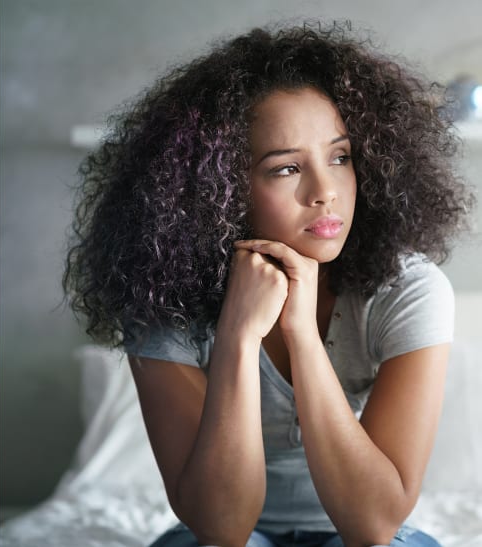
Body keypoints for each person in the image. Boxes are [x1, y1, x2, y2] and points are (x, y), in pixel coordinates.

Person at [64, 22, 473, 547]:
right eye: (285, 169)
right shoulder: (160, 297)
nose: (325, 192)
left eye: (340, 157)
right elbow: (221, 528)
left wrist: (301, 333)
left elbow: (374, 525)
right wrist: (237, 335)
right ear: (221, 190)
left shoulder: (408, 289)